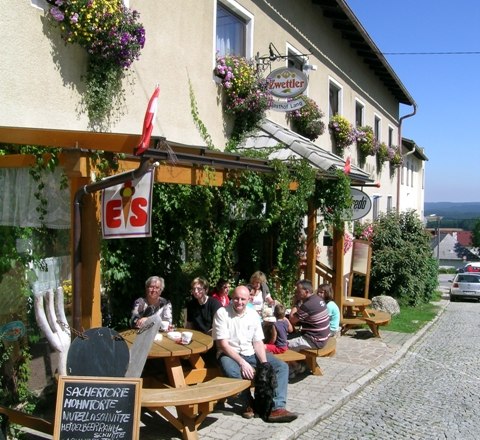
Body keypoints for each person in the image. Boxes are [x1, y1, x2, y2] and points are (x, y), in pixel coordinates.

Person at [212, 285, 298, 423]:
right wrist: (242, 363)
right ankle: (249, 404)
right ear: (231, 298)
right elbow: (223, 344)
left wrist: (264, 363)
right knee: (233, 372)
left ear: (249, 299)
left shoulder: (253, 315)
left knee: (281, 367)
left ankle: (277, 408)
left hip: (250, 352)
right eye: (236, 298)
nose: (239, 302)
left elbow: (257, 342)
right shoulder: (222, 313)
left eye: (243, 299)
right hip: (229, 354)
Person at [287, 279, 330, 377]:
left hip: (314, 340)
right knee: (292, 336)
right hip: (322, 336)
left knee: (283, 345)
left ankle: (296, 367)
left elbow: (292, 320)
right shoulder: (318, 299)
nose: (296, 293)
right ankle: (300, 363)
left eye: (298, 291)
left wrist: (295, 304)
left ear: (306, 292)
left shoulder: (308, 305)